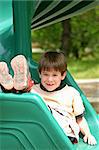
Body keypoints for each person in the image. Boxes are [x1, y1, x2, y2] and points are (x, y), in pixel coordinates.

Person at [0, 52, 97, 145]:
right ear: (40, 74)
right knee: (22, 99)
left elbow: (79, 119)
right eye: (46, 74)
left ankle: (23, 82)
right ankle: (10, 84)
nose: (50, 80)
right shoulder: (34, 90)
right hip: (36, 131)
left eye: (54, 75)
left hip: (63, 133)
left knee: (42, 107)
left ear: (63, 75)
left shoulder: (71, 93)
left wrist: (88, 134)